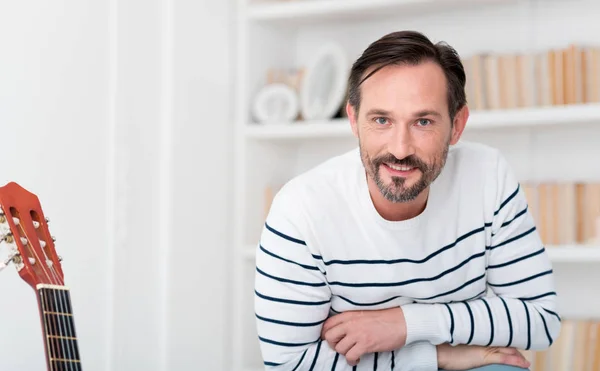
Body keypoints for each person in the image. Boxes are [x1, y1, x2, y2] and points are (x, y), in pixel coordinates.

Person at [253, 30, 561, 370]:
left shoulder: (487, 175)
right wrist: (436, 355)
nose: (400, 149)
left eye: (423, 121)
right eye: (382, 120)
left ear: (457, 125)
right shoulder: (300, 210)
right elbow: (289, 365)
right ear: (354, 120)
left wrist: (405, 324)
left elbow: (540, 320)